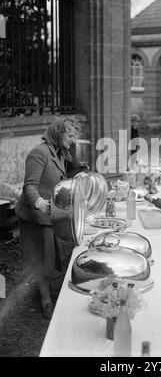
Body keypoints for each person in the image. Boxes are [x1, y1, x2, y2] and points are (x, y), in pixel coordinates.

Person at [15, 117, 82, 319]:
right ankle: (45, 301)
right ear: (57, 134)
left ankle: (44, 289)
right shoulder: (39, 153)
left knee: (49, 254)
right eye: (69, 136)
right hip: (35, 215)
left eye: (74, 136)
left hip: (50, 213)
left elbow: (67, 174)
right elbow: (30, 185)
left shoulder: (60, 153)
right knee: (41, 259)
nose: (73, 140)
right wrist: (39, 203)